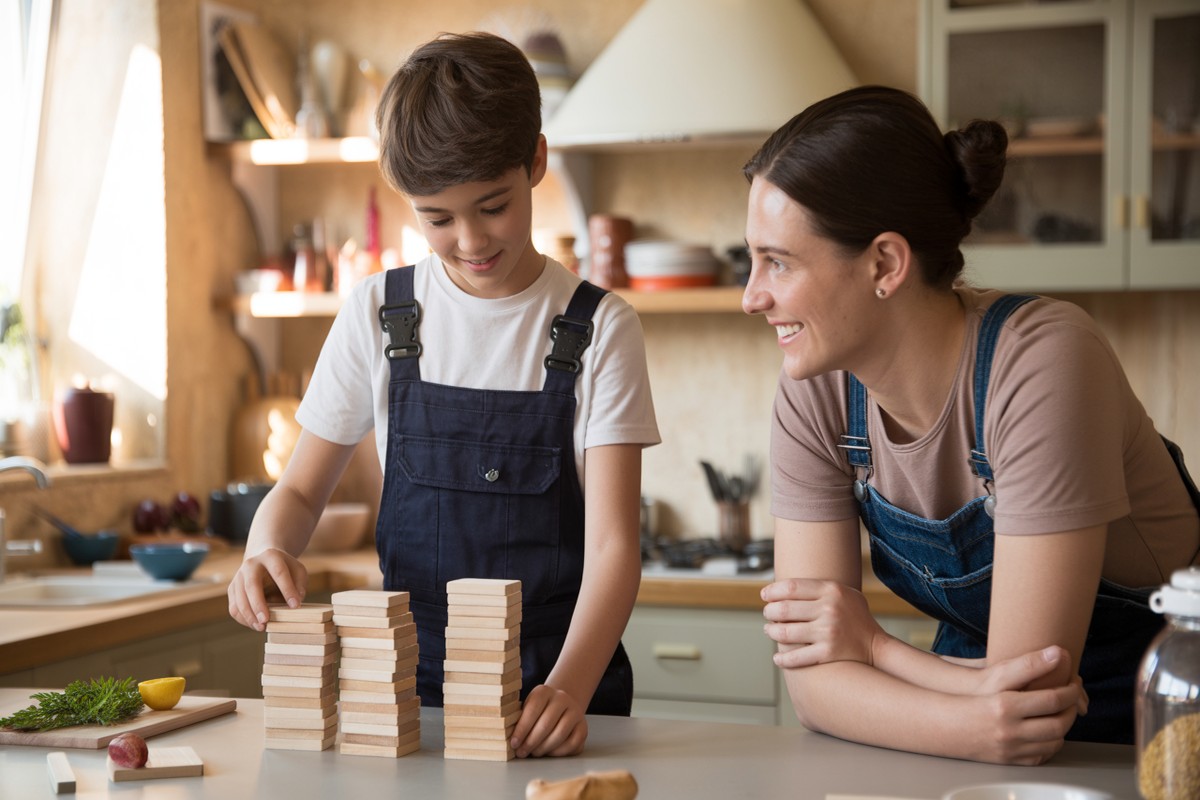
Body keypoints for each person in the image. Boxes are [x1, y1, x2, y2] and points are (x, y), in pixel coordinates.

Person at [226, 32, 660, 758]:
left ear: (537, 163)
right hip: (410, 700)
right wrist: (264, 549)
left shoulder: (599, 328)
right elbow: (300, 491)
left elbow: (616, 547)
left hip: (558, 694)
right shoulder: (378, 313)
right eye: (438, 218)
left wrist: (569, 689)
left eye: (493, 206)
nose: (469, 240)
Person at [741, 86, 1200, 765]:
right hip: (971, 694)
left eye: (777, 262)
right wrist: (974, 705)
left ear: (885, 264)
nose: (752, 297)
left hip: (1166, 698)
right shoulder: (817, 390)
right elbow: (813, 690)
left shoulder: (1043, 360)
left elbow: (1036, 698)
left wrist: (869, 649)